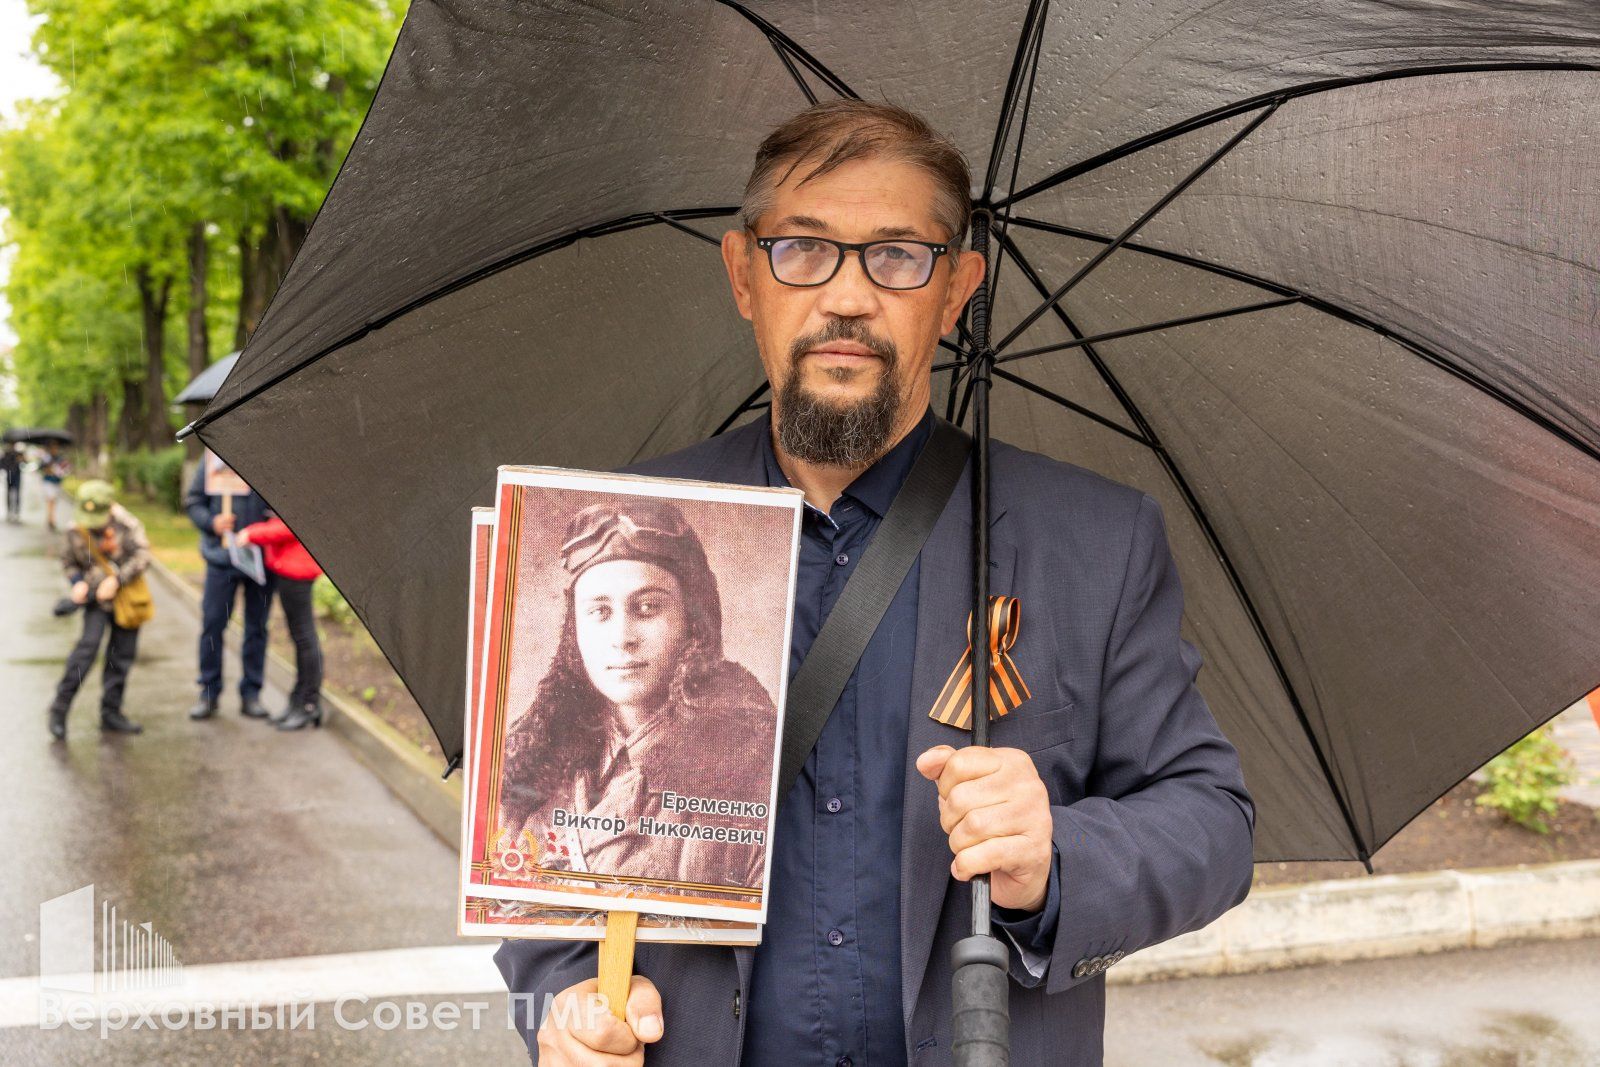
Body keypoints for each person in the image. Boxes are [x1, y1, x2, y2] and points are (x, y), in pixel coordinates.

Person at [498, 100, 1256, 1067]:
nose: (847, 296)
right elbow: (531, 855)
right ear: (743, 274)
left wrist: (1056, 856)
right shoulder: (628, 524)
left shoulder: (1096, 541)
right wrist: (566, 1002)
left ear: (958, 288)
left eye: (898, 255)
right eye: (803, 250)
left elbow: (1212, 821)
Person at [497, 499, 775, 891]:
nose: (622, 638)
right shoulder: (529, 767)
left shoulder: (755, 768)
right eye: (600, 612)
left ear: (692, 622)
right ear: (574, 632)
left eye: (647, 608)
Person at [48, 480, 150, 739]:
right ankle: (59, 709)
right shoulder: (75, 528)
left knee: (121, 655)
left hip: (126, 598)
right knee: (86, 651)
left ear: (110, 508)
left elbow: (142, 556)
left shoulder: (128, 524)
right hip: (95, 601)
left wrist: (117, 580)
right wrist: (77, 583)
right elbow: (68, 561)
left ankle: (111, 713)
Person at [183, 460, 272, 720]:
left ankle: (251, 694)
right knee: (213, 625)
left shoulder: (273, 460)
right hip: (221, 559)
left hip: (260, 560)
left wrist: (264, 527)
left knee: (257, 628)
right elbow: (193, 502)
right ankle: (209, 692)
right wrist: (212, 522)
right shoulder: (214, 459)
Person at [236, 512, 326, 730]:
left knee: (305, 638)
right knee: (301, 638)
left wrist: (252, 533)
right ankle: (298, 700)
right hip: (290, 567)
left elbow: (292, 523)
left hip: (297, 570)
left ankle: (308, 703)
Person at [39, 443, 67, 531]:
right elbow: (41, 468)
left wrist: (58, 472)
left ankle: (50, 518)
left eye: (56, 448)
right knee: (50, 500)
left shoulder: (60, 459)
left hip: (56, 482)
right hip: (48, 482)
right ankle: (51, 519)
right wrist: (48, 470)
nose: (54, 450)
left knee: (53, 501)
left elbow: (64, 470)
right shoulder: (46, 458)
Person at [2, 443, 21, 523]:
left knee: (16, 494)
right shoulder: (6, 454)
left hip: (16, 476)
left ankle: (15, 512)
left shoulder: (18, 454)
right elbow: (2, 464)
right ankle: (10, 511)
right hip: (10, 475)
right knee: (10, 494)